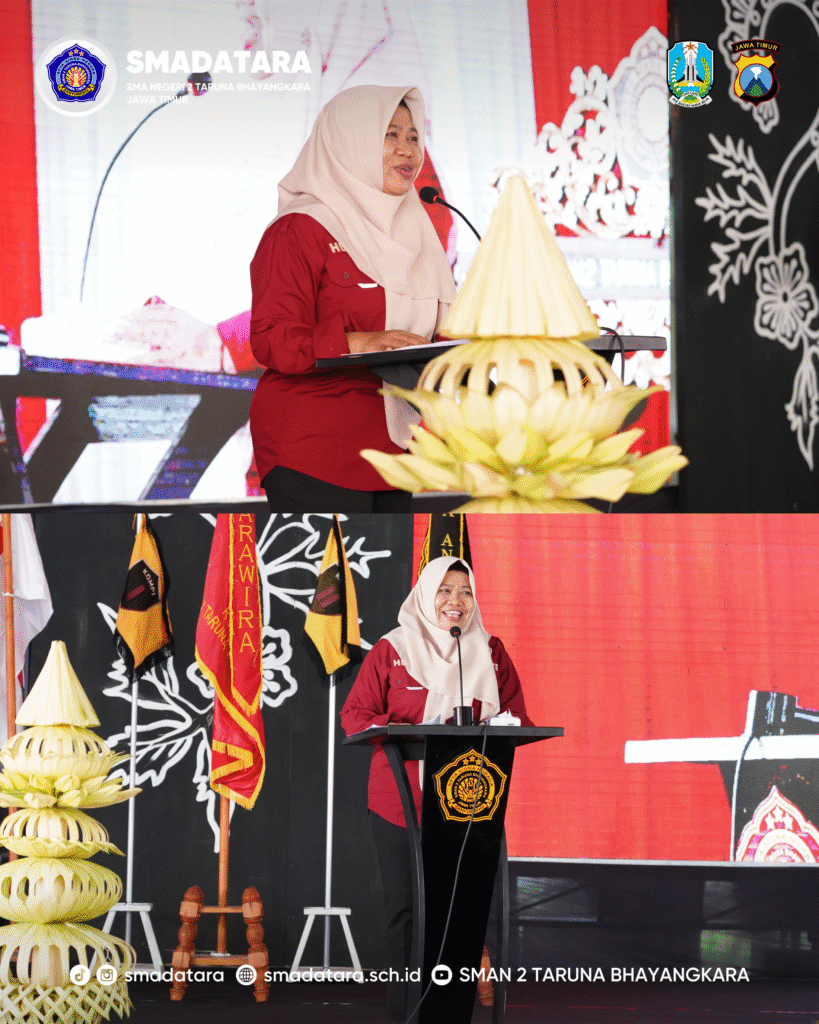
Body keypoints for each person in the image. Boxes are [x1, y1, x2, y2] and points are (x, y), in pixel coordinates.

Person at [340, 556, 532, 1020]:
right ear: (426, 595)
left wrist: (495, 726)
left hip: (469, 805)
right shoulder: (392, 649)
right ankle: (406, 1014)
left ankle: (451, 1015)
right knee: (407, 912)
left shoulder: (490, 651)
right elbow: (354, 717)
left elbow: (518, 718)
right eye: (445, 590)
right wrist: (408, 727)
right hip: (401, 803)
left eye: (465, 591)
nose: (456, 601)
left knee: (464, 914)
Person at [249, 84, 456, 512]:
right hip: (314, 449)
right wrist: (359, 342)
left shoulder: (417, 231)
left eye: (413, 136)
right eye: (390, 135)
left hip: (394, 454)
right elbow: (272, 338)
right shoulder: (299, 229)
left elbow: (436, 333)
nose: (407, 150)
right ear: (350, 142)